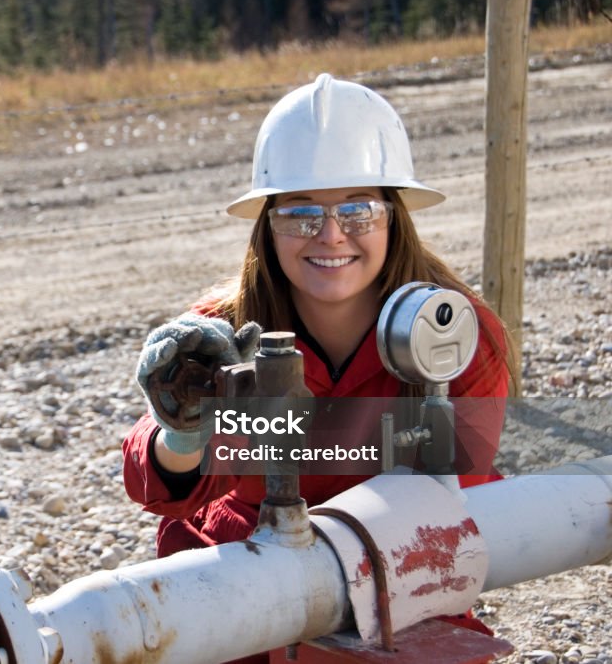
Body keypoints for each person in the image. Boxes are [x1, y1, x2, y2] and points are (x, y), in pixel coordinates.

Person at [122, 74, 513, 664]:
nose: (331, 235)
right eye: (301, 215)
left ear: (393, 218)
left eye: (358, 211)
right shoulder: (219, 335)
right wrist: (181, 433)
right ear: (268, 226)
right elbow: (160, 487)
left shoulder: (455, 334)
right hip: (238, 592)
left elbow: (461, 499)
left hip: (398, 585)